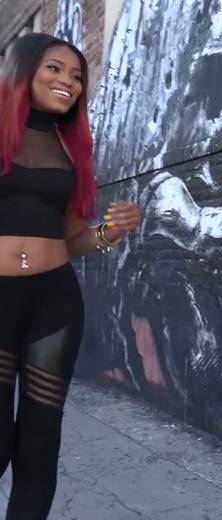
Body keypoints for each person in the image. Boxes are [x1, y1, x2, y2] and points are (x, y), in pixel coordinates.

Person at [0, 33, 140, 518]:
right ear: (24, 71)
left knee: (39, 445)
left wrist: (110, 233)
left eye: (77, 75)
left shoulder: (70, 148)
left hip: (53, 304)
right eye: (55, 69)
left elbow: (74, 238)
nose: (69, 82)